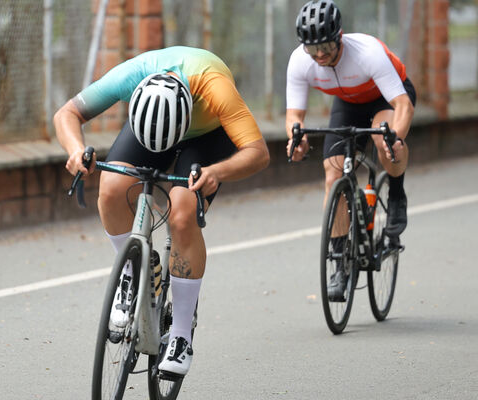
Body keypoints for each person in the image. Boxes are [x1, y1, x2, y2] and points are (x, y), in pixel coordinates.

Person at [54, 46, 270, 376]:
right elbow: (67, 114)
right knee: (112, 187)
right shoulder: (131, 74)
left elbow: (258, 152)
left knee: (182, 214)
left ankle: (182, 332)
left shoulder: (215, 89)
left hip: (207, 137)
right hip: (149, 126)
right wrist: (76, 150)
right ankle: (134, 271)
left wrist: (217, 173)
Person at [285, 0, 416, 301]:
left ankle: (396, 192)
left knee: (386, 145)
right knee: (333, 173)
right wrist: (296, 139)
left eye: (327, 47)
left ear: (339, 37)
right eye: (312, 48)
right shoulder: (300, 61)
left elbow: (403, 106)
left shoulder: (367, 53)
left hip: (387, 96)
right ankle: (340, 262)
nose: (319, 55)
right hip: (348, 103)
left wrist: (395, 139)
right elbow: (294, 116)